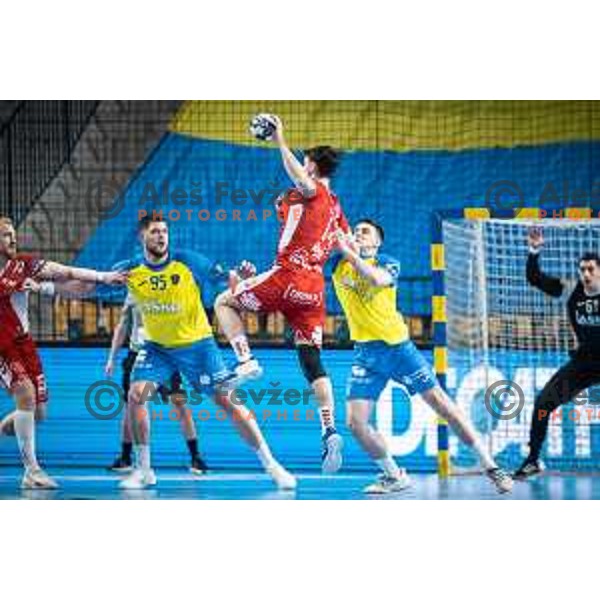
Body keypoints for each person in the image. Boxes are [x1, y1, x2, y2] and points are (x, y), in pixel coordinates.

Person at [332, 218, 513, 494]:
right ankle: (394, 476)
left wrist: (351, 253)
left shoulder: (387, 262)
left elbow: (377, 279)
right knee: (355, 424)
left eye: (364, 232)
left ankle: (492, 467)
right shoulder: (337, 266)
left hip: (398, 349)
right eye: (355, 231)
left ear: (377, 241)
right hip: (366, 354)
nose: (358, 234)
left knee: (443, 405)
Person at [117, 214, 295, 490]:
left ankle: (272, 466)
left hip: (197, 346)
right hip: (157, 348)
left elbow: (229, 279)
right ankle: (143, 470)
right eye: (155, 232)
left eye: (164, 231)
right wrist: (50, 285)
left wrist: (245, 279)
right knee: (136, 394)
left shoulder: (186, 261)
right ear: (142, 236)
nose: (161, 236)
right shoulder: (131, 270)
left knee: (229, 403)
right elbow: (87, 284)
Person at [215, 115, 349, 473]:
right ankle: (329, 429)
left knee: (224, 301)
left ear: (312, 164)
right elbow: (346, 245)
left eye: (305, 163)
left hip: (288, 275)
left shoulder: (315, 189)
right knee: (311, 361)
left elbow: (303, 184)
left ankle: (246, 361)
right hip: (314, 290)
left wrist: (279, 139)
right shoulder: (336, 209)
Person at [0, 216, 127, 489]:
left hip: (24, 344)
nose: (13, 239)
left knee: (39, 413)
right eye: (6, 235)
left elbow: (66, 272)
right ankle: (32, 471)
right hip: (2, 348)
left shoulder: (23, 264)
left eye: (13, 234)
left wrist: (103, 277)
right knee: (25, 394)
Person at [515, 226, 600, 479]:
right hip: (583, 365)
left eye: (591, 269)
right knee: (542, 405)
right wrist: (534, 249)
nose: (585, 274)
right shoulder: (571, 289)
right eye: (582, 269)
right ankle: (532, 461)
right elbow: (534, 278)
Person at [104, 295, 207, 474]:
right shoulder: (133, 292)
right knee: (131, 406)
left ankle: (196, 457)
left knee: (180, 403)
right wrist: (111, 358)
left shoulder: (173, 290)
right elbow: (122, 326)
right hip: (137, 355)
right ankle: (126, 457)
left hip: (165, 356)